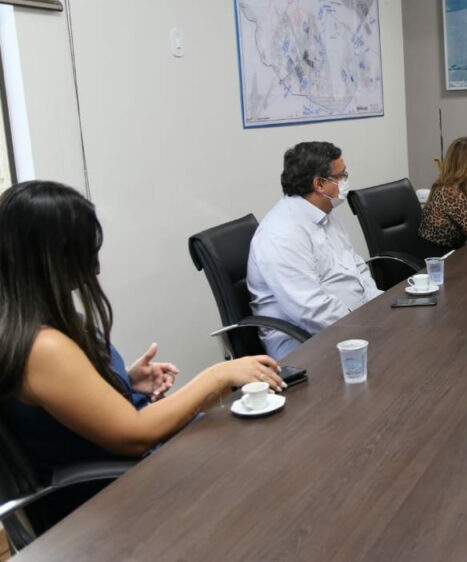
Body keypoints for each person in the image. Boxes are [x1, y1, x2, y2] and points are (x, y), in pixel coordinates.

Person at [0, 181, 282, 482]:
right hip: (120, 495)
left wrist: (124, 382)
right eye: (86, 251)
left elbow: (70, 404)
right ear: (50, 257)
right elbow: (134, 434)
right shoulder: (44, 347)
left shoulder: (32, 326)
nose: (95, 268)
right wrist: (217, 375)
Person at [248, 142, 382, 360]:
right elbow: (310, 310)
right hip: (306, 344)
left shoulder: (325, 213)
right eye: (341, 176)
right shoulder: (282, 233)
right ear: (319, 184)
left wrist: (381, 307)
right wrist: (367, 327)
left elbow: (356, 267)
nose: (346, 181)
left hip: (353, 326)